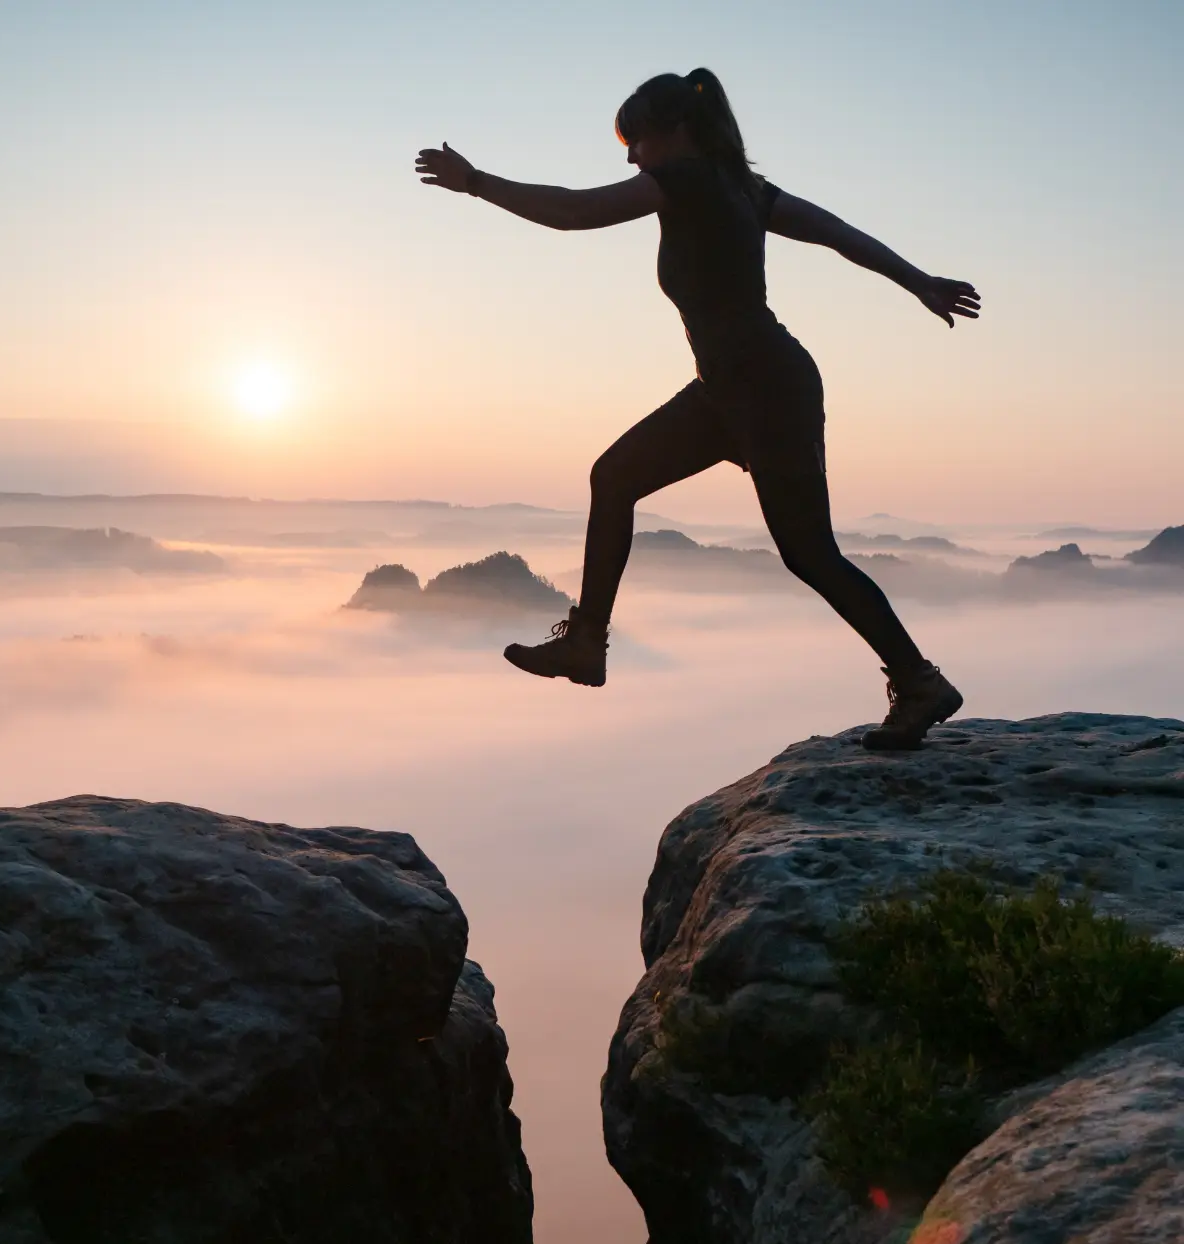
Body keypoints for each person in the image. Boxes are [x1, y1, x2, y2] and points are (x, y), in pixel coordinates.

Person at [416, 69, 981, 750]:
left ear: (675, 132)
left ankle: (918, 679)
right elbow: (836, 231)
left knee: (809, 553)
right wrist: (919, 282)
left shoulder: (688, 180)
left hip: (766, 386)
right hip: (729, 388)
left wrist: (477, 181)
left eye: (637, 142)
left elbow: (573, 210)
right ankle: (586, 643)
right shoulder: (743, 188)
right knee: (615, 477)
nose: (631, 158)